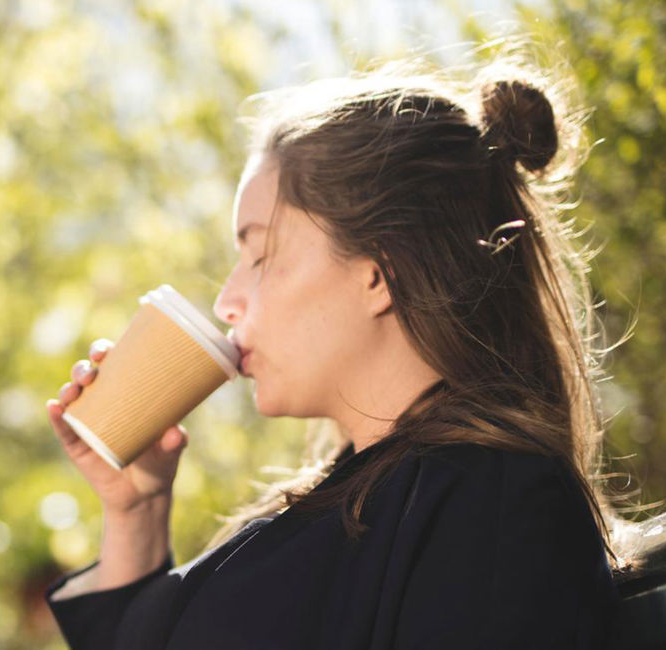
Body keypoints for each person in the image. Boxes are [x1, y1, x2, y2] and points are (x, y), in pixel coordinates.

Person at [42, 55, 632, 649]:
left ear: (380, 272)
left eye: (261, 255)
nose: (227, 300)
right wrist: (136, 512)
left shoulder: (488, 509)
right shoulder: (370, 498)